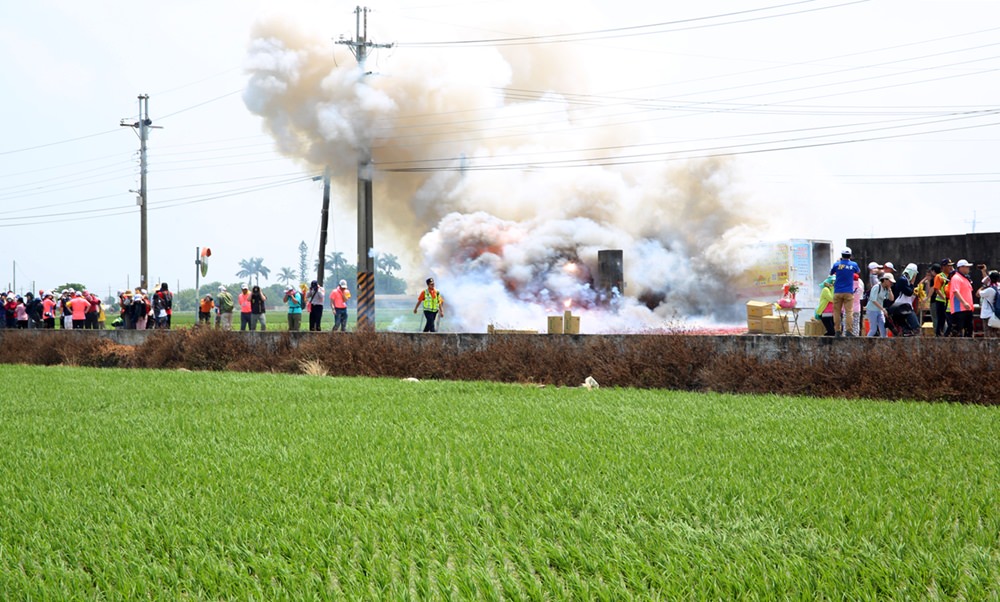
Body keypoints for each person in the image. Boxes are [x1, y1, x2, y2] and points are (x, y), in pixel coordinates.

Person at [829, 247, 860, 337]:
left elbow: (831, 273)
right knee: (849, 312)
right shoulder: (853, 264)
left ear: (841, 255)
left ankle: (837, 331)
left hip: (837, 291)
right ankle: (848, 331)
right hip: (848, 292)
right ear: (850, 255)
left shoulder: (836, 265)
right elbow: (858, 271)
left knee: (837, 312)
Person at [888, 263, 920, 336]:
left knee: (907, 329)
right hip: (901, 307)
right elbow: (908, 292)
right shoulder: (903, 280)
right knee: (916, 326)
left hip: (904, 307)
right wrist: (912, 283)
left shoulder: (905, 280)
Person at [949, 259, 975, 337]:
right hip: (959, 309)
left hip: (968, 308)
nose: (968, 269)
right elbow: (955, 291)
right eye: (966, 267)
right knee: (957, 330)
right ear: (961, 267)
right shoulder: (956, 278)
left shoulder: (965, 278)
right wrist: (964, 302)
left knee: (969, 330)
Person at [867, 273, 895, 337]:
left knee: (883, 329)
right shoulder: (877, 287)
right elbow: (873, 300)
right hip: (872, 310)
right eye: (890, 281)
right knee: (873, 329)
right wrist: (882, 309)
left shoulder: (885, 289)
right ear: (885, 280)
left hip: (880, 311)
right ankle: (865, 343)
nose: (891, 283)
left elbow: (891, 299)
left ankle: (884, 345)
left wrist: (889, 289)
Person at [932, 259, 953, 337]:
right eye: (948, 266)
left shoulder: (952, 275)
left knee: (950, 320)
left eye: (951, 266)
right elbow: (936, 289)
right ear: (943, 267)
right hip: (941, 301)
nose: (950, 267)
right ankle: (939, 334)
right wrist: (944, 297)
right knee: (941, 319)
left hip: (950, 301)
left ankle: (947, 334)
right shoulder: (939, 276)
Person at [978, 270, 1000, 337]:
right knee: (997, 335)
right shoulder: (998, 288)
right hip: (997, 315)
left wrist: (984, 285)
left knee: (988, 336)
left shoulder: (989, 290)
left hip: (987, 315)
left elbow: (979, 293)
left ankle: (989, 347)